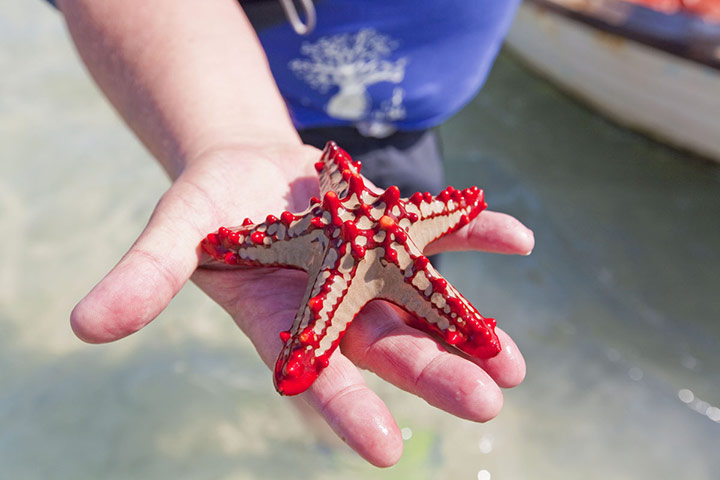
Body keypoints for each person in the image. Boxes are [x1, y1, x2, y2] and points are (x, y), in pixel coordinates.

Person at [49, 0, 534, 467]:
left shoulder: (364, 204)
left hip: (410, 131)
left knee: (424, 330)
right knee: (344, 348)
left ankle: (378, 426)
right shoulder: (340, 226)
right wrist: (226, 135)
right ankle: (331, 445)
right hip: (255, 107)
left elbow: (383, 195)